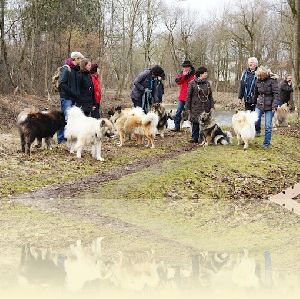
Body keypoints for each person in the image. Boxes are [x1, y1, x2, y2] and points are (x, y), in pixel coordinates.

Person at [57, 51, 84, 144]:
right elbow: (62, 84)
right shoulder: (66, 68)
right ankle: (61, 139)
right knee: (65, 118)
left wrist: (78, 94)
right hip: (66, 98)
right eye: (80, 59)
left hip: (74, 98)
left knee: (72, 118)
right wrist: (72, 92)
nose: (81, 61)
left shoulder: (77, 70)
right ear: (76, 59)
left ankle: (69, 138)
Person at [253, 66, 281, 149]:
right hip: (259, 104)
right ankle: (257, 131)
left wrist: (274, 106)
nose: (259, 78)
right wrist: (253, 102)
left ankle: (266, 144)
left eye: (261, 76)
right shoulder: (258, 80)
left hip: (270, 106)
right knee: (256, 119)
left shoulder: (272, 80)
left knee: (268, 126)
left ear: (265, 74)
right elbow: (255, 92)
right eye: (258, 76)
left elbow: (276, 94)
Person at [186, 66, 214, 143]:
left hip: (206, 106)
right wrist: (187, 107)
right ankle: (194, 137)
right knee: (195, 122)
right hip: (195, 106)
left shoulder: (207, 83)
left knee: (205, 123)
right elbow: (188, 96)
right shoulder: (192, 83)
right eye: (205, 73)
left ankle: (204, 138)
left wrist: (212, 106)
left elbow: (210, 95)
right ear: (201, 74)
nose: (206, 74)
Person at [172, 60, 195, 132]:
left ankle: (194, 129)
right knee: (178, 111)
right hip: (182, 97)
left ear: (190, 67)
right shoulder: (181, 74)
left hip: (191, 97)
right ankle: (177, 127)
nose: (185, 68)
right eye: (184, 67)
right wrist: (184, 75)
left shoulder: (194, 75)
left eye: (187, 67)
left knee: (192, 113)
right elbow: (178, 82)